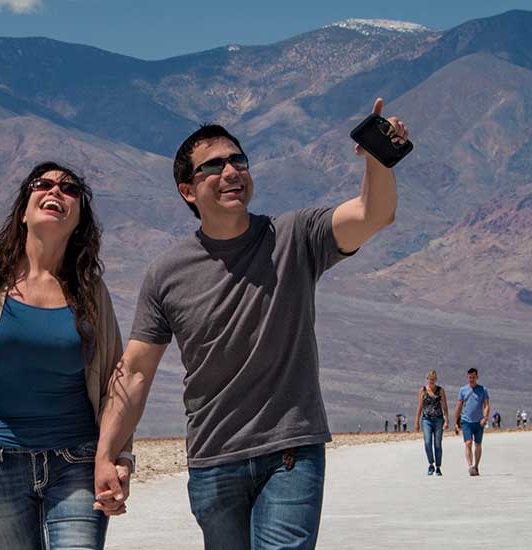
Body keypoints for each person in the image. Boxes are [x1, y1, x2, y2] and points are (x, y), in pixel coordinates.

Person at [94, 99, 410, 549]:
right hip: (213, 459)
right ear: (187, 190)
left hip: (289, 453)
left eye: (238, 160)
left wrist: (379, 158)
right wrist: (107, 454)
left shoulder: (295, 237)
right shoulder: (166, 274)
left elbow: (372, 214)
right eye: (214, 165)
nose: (231, 172)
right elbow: (137, 370)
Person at [0, 163, 128, 549]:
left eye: (69, 189)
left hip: (77, 464)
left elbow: (115, 385)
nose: (56, 191)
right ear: (24, 209)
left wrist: (119, 457)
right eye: (44, 184)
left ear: (79, 217)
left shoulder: (90, 291)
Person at [456, 368, 492, 476]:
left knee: (478, 444)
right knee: (468, 443)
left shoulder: (482, 390)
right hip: (466, 421)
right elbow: (459, 406)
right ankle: (470, 466)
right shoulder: (463, 390)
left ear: (477, 377)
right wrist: (456, 421)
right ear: (467, 377)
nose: (471, 379)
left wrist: (485, 417)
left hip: (479, 421)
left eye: (473, 377)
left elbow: (486, 405)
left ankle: (476, 465)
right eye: (470, 377)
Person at [418, 371, 449, 475]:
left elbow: (444, 406)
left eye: (434, 379)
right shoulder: (423, 390)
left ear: (436, 379)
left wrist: (447, 419)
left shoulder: (440, 391)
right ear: (427, 379)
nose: (432, 381)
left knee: (437, 444)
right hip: (426, 419)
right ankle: (431, 464)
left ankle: (438, 467)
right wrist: (417, 421)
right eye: (430, 379)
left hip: (438, 420)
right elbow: (420, 406)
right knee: (427, 442)